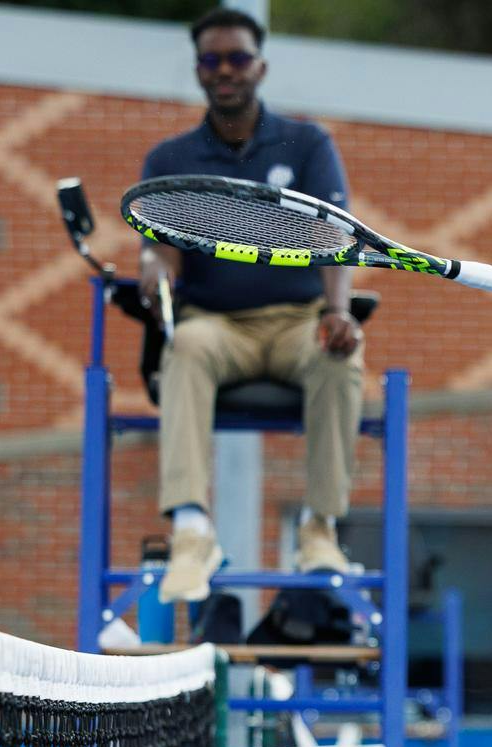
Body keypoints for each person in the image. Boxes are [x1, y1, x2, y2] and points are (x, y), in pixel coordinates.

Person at [140, 7, 366, 602]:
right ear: (198, 71)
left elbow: (336, 241)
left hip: (296, 322)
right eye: (211, 61)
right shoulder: (170, 160)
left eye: (237, 58)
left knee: (340, 358)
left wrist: (336, 314)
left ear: (260, 66)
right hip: (216, 327)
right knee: (182, 347)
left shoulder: (308, 143)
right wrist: (151, 271)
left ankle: (319, 529)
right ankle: (191, 531)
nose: (225, 71)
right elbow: (158, 250)